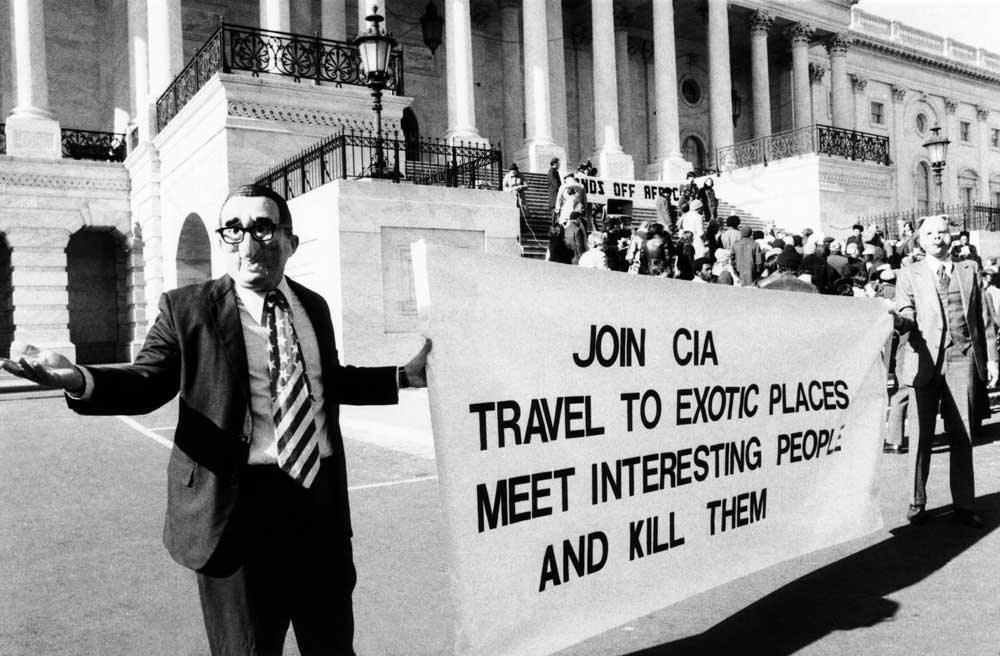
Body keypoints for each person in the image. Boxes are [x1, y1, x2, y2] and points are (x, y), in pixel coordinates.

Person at [0, 184, 432, 655]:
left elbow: (328, 380)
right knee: (247, 649)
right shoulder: (187, 309)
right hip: (239, 512)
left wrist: (402, 377)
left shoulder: (313, 306)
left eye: (263, 229)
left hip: (318, 504)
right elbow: (147, 382)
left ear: (290, 240)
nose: (248, 245)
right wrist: (80, 379)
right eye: (234, 231)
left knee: (330, 644)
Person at [892, 214, 999, 528]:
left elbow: (985, 320)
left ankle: (964, 504)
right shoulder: (908, 273)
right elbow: (906, 313)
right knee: (922, 436)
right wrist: (899, 321)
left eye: (943, 232)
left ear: (952, 236)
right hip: (923, 360)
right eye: (930, 233)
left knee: (962, 434)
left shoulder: (969, 270)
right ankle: (917, 502)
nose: (937, 237)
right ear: (920, 240)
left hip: (961, 357)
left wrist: (991, 359)